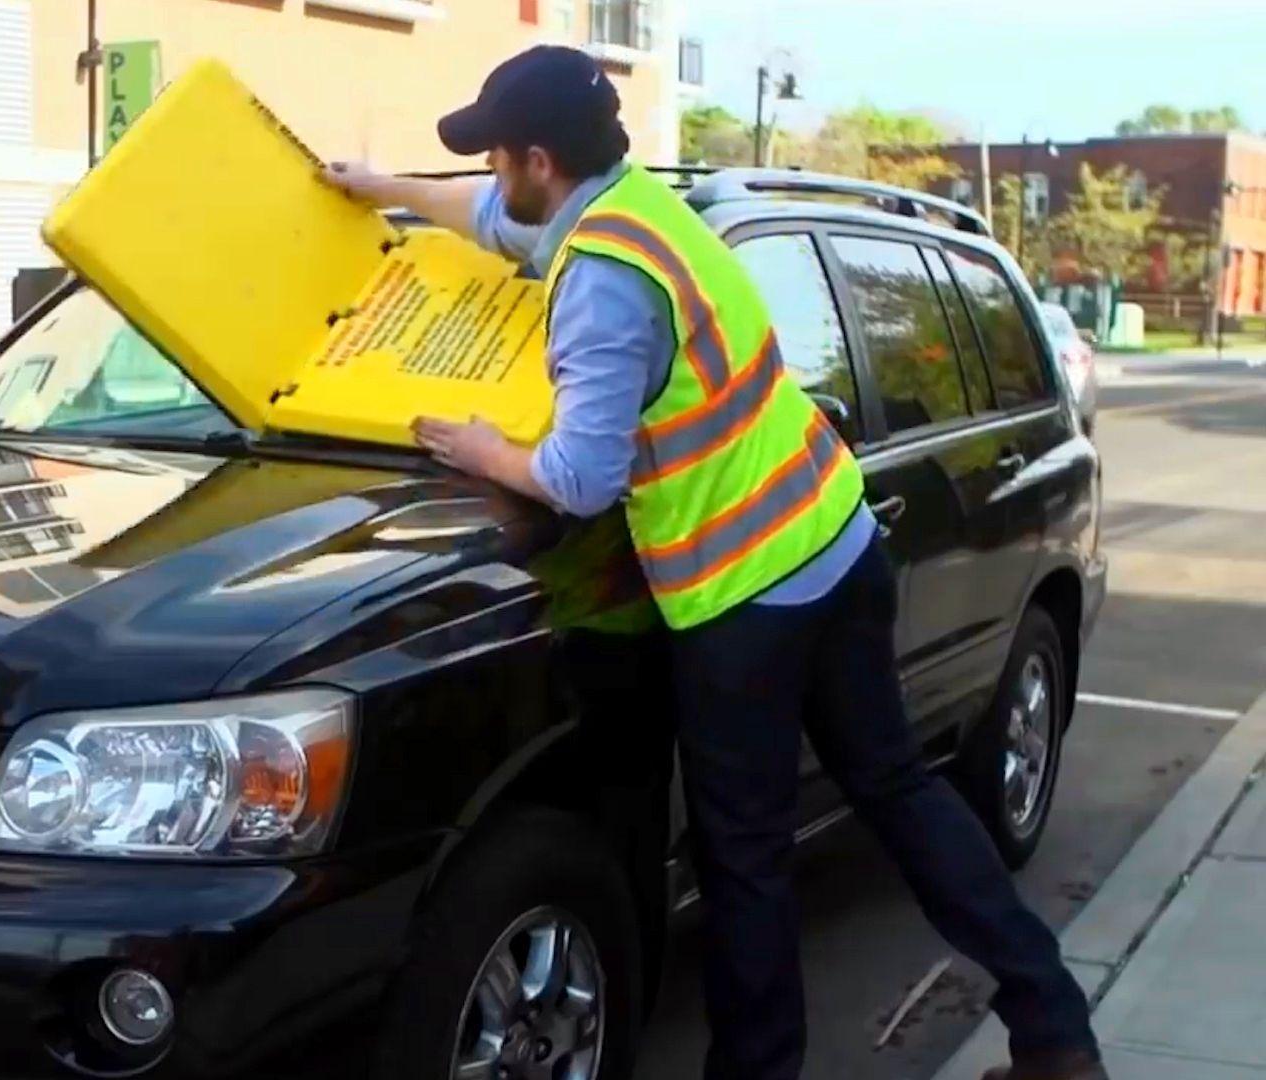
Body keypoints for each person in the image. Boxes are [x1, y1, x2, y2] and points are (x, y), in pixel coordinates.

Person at [322, 44, 1106, 1080]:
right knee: (902, 794)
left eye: (499, 155)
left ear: (540, 160)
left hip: (749, 603)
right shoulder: (638, 209)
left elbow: (581, 476)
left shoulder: (603, 282)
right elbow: (486, 215)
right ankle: (1055, 1032)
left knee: (745, 857)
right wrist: (378, 189)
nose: (494, 174)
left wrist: (479, 448)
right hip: (836, 541)